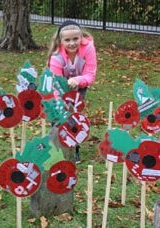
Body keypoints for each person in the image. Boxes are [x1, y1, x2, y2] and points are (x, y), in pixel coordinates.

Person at [47, 20, 97, 164]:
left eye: (75, 39)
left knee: (75, 117)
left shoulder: (88, 49)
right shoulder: (56, 56)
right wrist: (59, 102)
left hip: (80, 86)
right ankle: (56, 149)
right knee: (58, 116)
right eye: (67, 40)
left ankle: (74, 150)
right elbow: (55, 83)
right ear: (60, 40)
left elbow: (90, 74)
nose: (72, 43)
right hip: (59, 88)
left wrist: (78, 80)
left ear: (81, 37)